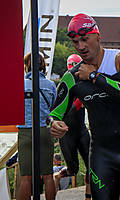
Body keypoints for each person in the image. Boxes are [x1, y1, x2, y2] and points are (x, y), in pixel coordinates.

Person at [47, 13, 120, 200]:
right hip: (102, 155)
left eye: (85, 39)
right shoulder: (73, 76)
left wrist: (95, 77)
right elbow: (55, 112)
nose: (80, 47)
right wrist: (54, 124)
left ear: (98, 36)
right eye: (75, 42)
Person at [18, 52, 57, 200]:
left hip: (25, 130)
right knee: (48, 175)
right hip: (45, 130)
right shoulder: (50, 85)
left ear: (26, 66)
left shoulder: (20, 84)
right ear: (43, 65)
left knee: (25, 177)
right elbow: (54, 107)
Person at [59, 53, 91, 199]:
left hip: (81, 130)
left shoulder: (85, 83)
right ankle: (56, 177)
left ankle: (88, 195)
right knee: (73, 170)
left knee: (92, 165)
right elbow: (64, 109)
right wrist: (79, 103)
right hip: (67, 133)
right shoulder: (65, 84)